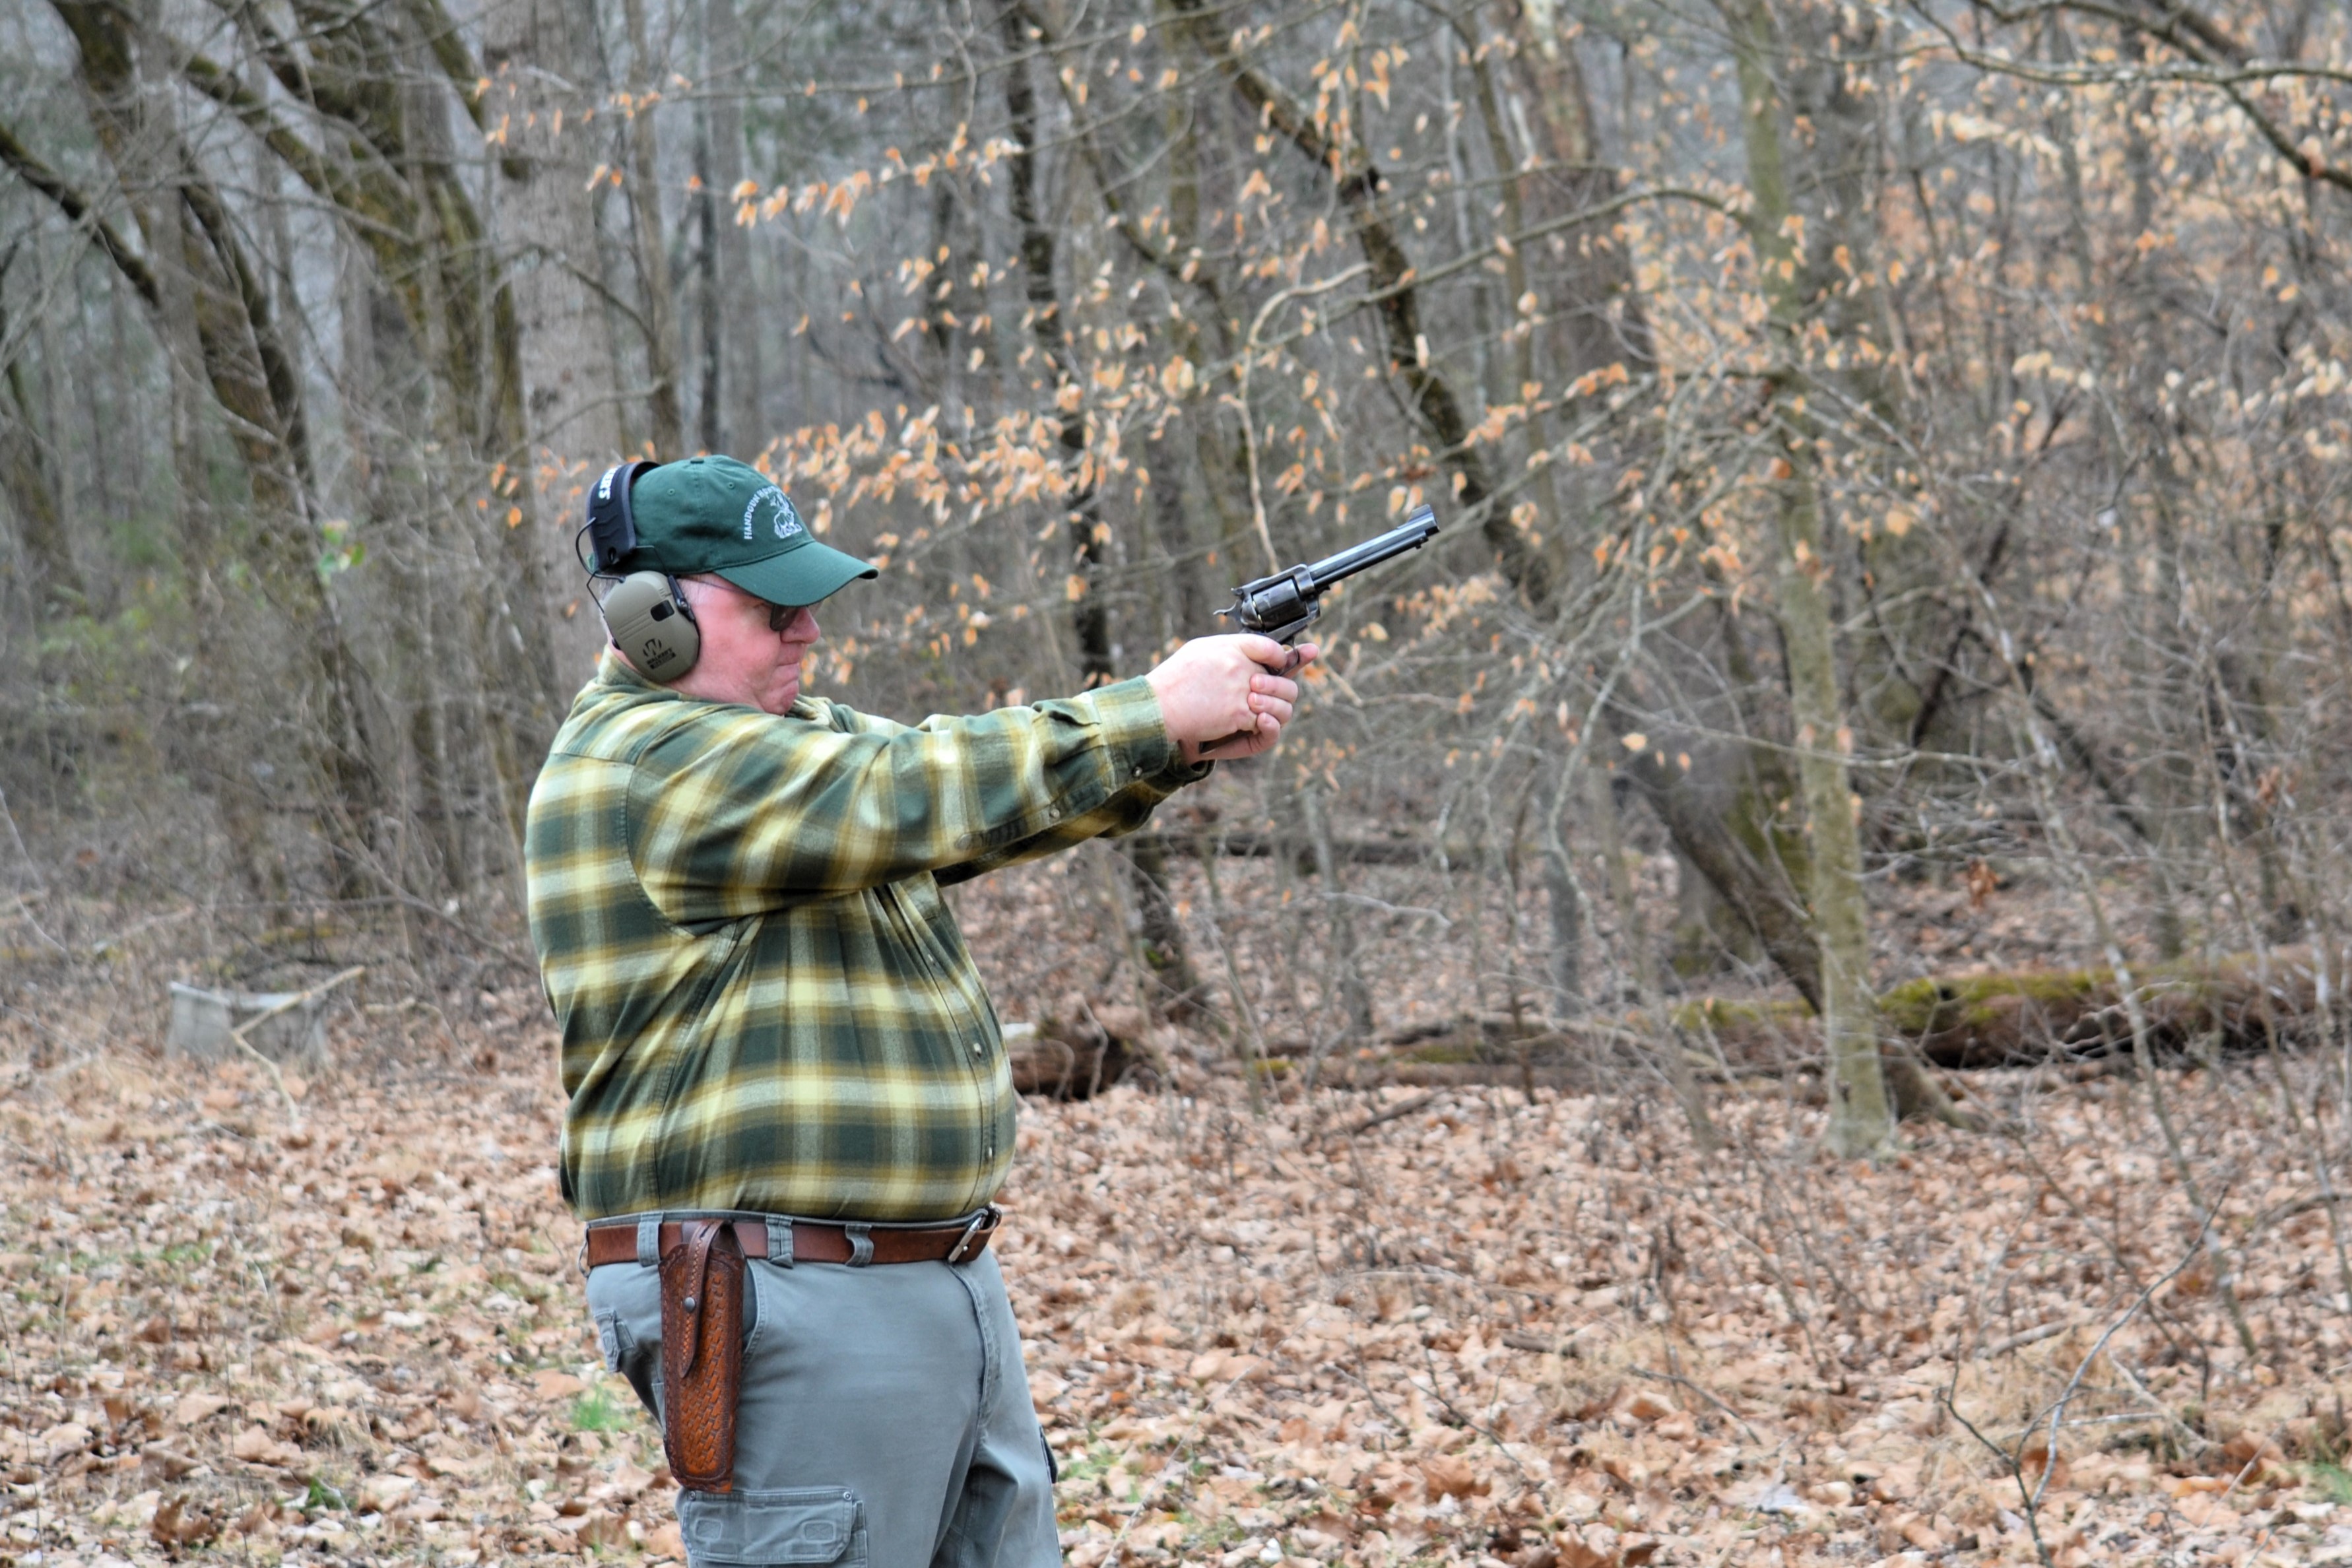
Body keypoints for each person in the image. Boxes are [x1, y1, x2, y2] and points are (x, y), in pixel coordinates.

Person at [523, 455, 1313, 1567]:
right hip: (787, 1286)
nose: (807, 629)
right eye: (772, 606)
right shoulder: (651, 759)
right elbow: (912, 788)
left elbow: (970, 801)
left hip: (912, 1277)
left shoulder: (791, 741)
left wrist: (1175, 740)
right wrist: (1149, 710)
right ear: (651, 616)